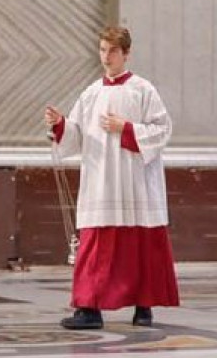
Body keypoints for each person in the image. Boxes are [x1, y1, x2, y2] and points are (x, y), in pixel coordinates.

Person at [45, 26, 178, 330]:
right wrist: (61, 124)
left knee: (142, 245)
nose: (106, 57)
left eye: (113, 51)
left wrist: (127, 128)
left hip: (136, 182)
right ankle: (89, 308)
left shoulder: (143, 90)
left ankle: (144, 307)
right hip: (101, 181)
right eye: (102, 50)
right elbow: (76, 134)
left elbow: (162, 130)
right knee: (95, 246)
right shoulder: (92, 92)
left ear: (126, 53)